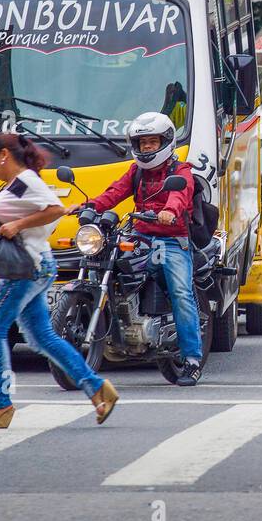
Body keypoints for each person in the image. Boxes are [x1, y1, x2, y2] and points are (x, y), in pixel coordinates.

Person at [0, 133, 117, 427]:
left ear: (3, 154)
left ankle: (0, 404)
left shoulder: (27, 181)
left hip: (27, 266)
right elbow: (23, 208)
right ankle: (97, 389)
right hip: (34, 263)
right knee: (42, 338)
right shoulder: (15, 183)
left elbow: (53, 209)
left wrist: (17, 224)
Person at [72, 112, 206, 386]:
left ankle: (192, 360)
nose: (147, 148)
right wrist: (91, 206)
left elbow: (180, 196)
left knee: (181, 293)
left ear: (165, 142)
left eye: (152, 142)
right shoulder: (136, 172)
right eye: (142, 143)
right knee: (105, 261)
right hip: (139, 237)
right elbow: (115, 191)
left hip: (172, 240)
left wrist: (169, 211)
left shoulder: (181, 172)